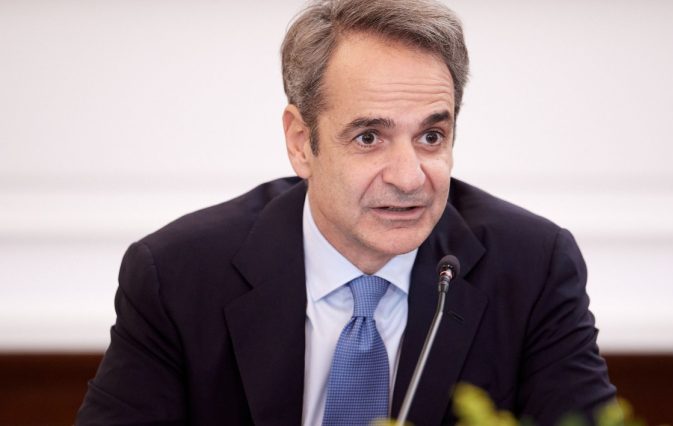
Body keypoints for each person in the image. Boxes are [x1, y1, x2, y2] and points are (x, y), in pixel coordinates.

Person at [77, 0, 616, 425]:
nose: (409, 177)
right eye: (369, 137)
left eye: (431, 136)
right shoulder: (179, 273)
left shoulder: (531, 266)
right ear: (300, 143)